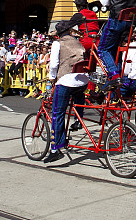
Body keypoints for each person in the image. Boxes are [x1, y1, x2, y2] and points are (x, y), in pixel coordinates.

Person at [44, 20, 90, 164]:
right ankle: (78, 119)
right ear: (70, 31)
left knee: (57, 114)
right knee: (78, 94)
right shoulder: (78, 42)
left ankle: (55, 149)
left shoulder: (58, 43)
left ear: (58, 33)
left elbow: (54, 64)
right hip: (83, 81)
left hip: (66, 80)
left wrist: (52, 78)